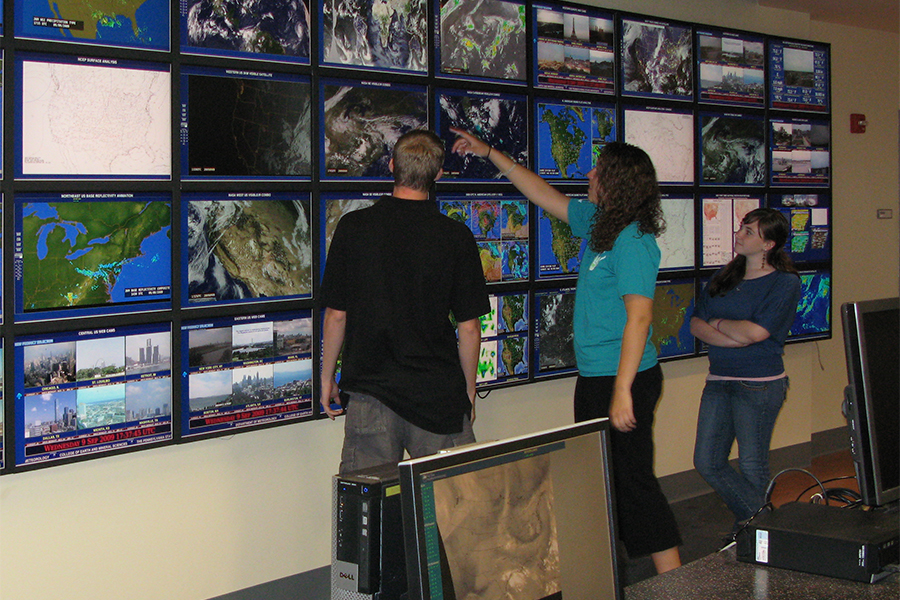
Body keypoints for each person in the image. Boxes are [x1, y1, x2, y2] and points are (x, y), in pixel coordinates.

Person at [451, 130, 682, 574]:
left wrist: (623, 390)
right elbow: (544, 195)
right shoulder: (600, 226)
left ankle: (677, 582)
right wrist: (490, 153)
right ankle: (607, 575)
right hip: (597, 377)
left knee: (634, 485)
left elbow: (639, 318)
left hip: (624, 379)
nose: (589, 173)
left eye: (599, 170)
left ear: (616, 182)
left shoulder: (634, 240)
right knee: (599, 480)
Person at [319, 129, 490, 475]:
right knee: (458, 510)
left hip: (371, 396)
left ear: (392, 165)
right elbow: (469, 327)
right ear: (438, 174)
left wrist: (326, 377)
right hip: (438, 397)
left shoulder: (354, 228)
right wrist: (468, 391)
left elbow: (337, 315)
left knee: (369, 516)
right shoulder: (455, 237)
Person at [690, 208, 801, 530]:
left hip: (760, 384)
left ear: (769, 244)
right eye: (741, 227)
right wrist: (729, 334)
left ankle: (756, 535)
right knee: (707, 461)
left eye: (749, 231)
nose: (739, 234)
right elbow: (696, 324)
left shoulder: (784, 283)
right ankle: (765, 525)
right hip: (719, 379)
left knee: (752, 464)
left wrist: (719, 323)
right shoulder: (723, 277)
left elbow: (757, 334)